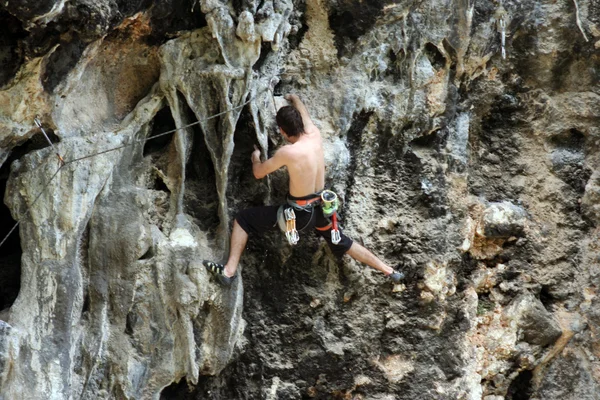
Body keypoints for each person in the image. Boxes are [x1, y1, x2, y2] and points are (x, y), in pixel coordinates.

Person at [204, 94, 404, 285]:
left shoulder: (288, 152)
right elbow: (303, 112)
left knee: (244, 219)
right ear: (300, 123)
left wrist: (255, 156)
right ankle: (389, 270)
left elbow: (258, 173)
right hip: (322, 211)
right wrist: (294, 99)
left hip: (297, 216)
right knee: (342, 241)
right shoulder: (314, 134)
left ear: (282, 131)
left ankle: (229, 272)